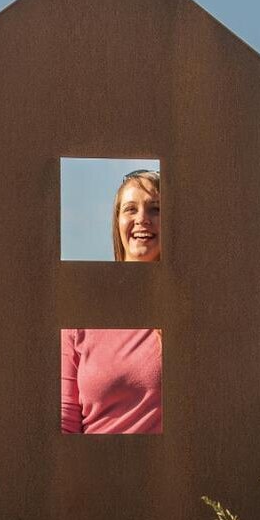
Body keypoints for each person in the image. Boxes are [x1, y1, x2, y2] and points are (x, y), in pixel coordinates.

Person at [61, 169, 163, 435]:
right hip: (92, 472)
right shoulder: (80, 311)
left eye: (155, 209)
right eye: (131, 209)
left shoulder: (194, 307)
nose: (142, 219)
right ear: (117, 223)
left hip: (169, 474)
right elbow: (65, 418)